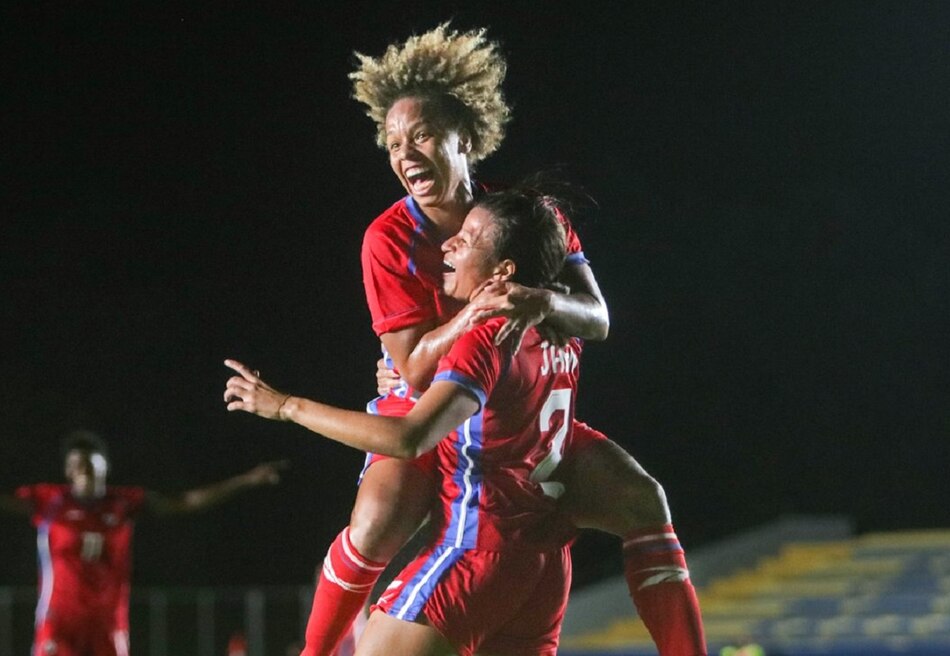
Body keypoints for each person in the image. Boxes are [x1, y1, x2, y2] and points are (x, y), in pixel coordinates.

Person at [296, 23, 706, 656]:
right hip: (433, 404)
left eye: (422, 135)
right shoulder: (387, 238)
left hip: (518, 413)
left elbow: (597, 318)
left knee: (643, 500)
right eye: (393, 142)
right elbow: (413, 371)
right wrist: (472, 319)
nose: (405, 153)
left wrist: (539, 302)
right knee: (377, 521)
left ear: (464, 136)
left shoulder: (527, 219)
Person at [225, 186, 581, 655]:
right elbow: (593, 316)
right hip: (547, 567)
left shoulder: (484, 338)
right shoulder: (562, 330)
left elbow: (410, 437)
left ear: (503, 271)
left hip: (475, 556)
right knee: (646, 510)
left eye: (467, 239)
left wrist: (286, 406)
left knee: (375, 527)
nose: (449, 244)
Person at [0, 429, 285, 656]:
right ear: (67, 471)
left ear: (104, 467)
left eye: (89, 463)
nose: (83, 470)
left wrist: (245, 480)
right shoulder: (49, 501)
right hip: (60, 622)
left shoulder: (124, 503)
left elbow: (184, 502)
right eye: (76, 465)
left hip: (108, 625)